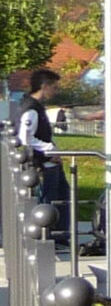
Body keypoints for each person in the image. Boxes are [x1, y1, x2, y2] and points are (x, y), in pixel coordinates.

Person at [14, 68, 67, 241]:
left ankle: (59, 235)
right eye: (54, 87)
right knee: (48, 201)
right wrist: (48, 152)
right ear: (45, 86)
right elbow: (25, 138)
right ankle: (48, 236)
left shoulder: (34, 106)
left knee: (61, 197)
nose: (55, 91)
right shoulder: (31, 108)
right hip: (44, 164)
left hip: (48, 161)